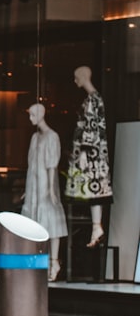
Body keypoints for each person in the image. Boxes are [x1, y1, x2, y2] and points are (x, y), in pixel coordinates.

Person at [64, 66, 113, 248]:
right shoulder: (92, 99)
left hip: (91, 152)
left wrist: (84, 151)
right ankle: (96, 226)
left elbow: (91, 125)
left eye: (77, 77)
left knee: (94, 188)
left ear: (83, 77)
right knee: (94, 191)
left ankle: (96, 226)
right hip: (91, 150)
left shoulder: (93, 99)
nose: (75, 81)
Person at [22, 104, 68, 281]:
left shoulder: (52, 136)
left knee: (50, 222)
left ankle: (54, 261)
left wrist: (50, 188)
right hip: (33, 184)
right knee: (35, 222)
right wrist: (28, 189)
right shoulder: (35, 137)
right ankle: (39, 260)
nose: (30, 118)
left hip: (45, 185)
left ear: (40, 115)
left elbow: (52, 165)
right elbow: (31, 163)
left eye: (32, 115)